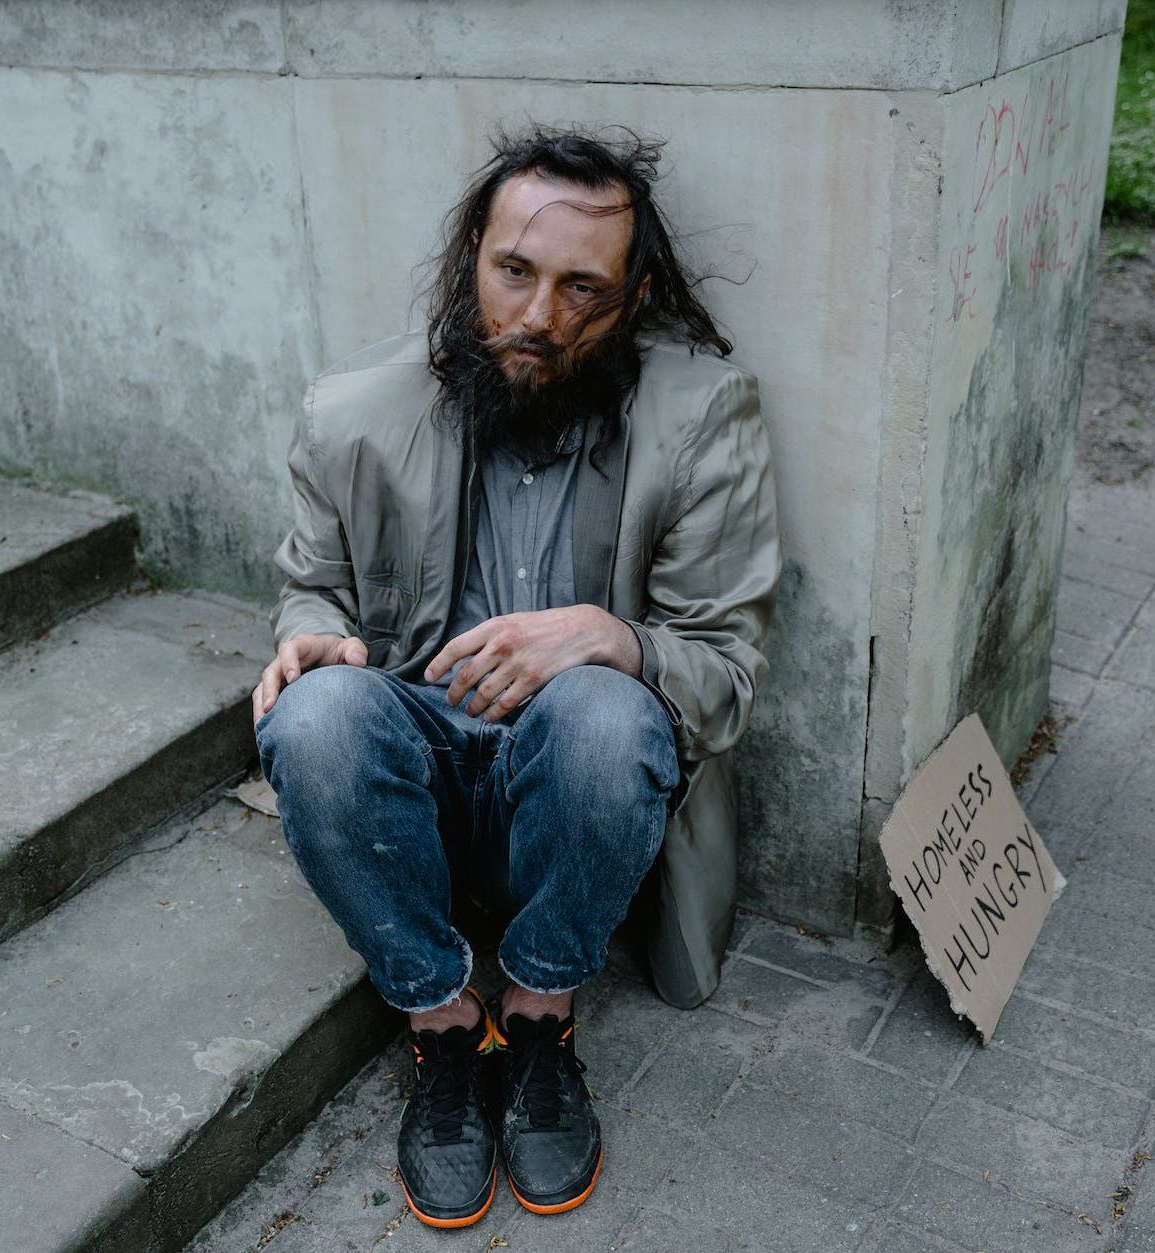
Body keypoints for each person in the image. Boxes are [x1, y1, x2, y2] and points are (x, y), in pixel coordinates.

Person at [252, 124, 780, 1229]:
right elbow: (313, 591)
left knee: (603, 712)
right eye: (514, 271)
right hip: (417, 769)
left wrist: (614, 637)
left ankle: (539, 1013)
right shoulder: (350, 413)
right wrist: (313, 641)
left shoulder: (700, 419)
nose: (538, 314)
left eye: (582, 288)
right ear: (469, 262)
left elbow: (726, 675)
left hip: (576, 779)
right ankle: (443, 1023)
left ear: (633, 300)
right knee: (312, 716)